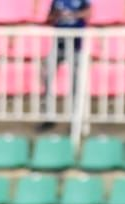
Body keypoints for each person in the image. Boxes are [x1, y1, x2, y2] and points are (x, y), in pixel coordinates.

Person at [42, 0, 85, 129]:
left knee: (75, 83)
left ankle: (75, 117)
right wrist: (57, 15)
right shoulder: (57, 1)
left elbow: (88, 14)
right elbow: (49, 18)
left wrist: (73, 15)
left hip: (75, 47)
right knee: (46, 76)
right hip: (58, 45)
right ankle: (48, 116)